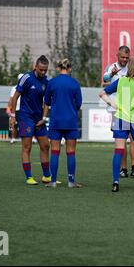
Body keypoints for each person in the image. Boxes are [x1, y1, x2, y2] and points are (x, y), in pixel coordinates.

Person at [99, 55, 134, 192]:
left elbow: (102, 93)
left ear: (129, 66)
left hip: (121, 118)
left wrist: (112, 103)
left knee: (118, 151)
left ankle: (116, 182)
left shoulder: (120, 81)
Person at [9, 55, 52, 185]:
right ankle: (29, 177)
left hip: (39, 119)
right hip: (25, 117)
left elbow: (47, 102)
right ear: (35, 67)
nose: (43, 72)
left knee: (45, 145)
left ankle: (46, 176)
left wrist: (44, 119)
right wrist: (12, 116)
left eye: (45, 70)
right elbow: (15, 97)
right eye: (41, 70)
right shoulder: (26, 78)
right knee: (27, 147)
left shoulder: (46, 81)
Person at [41, 59, 83, 188]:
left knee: (54, 151)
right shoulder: (75, 83)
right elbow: (78, 104)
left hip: (56, 121)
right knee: (71, 152)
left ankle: (53, 181)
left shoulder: (52, 83)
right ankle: (71, 181)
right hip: (70, 121)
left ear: (59, 68)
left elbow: (47, 101)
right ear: (70, 69)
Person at [102, 46, 134, 179]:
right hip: (117, 109)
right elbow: (104, 80)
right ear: (117, 55)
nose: (124, 60)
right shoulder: (111, 67)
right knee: (121, 140)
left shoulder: (132, 68)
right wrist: (112, 74)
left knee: (133, 138)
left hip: (132, 110)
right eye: (122, 57)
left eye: (126, 57)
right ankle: (123, 168)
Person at [6, 73, 24, 144]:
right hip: (15, 109)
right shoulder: (14, 88)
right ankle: (13, 138)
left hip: (22, 109)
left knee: (22, 124)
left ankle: (23, 139)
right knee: (13, 124)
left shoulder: (26, 88)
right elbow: (11, 99)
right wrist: (8, 107)